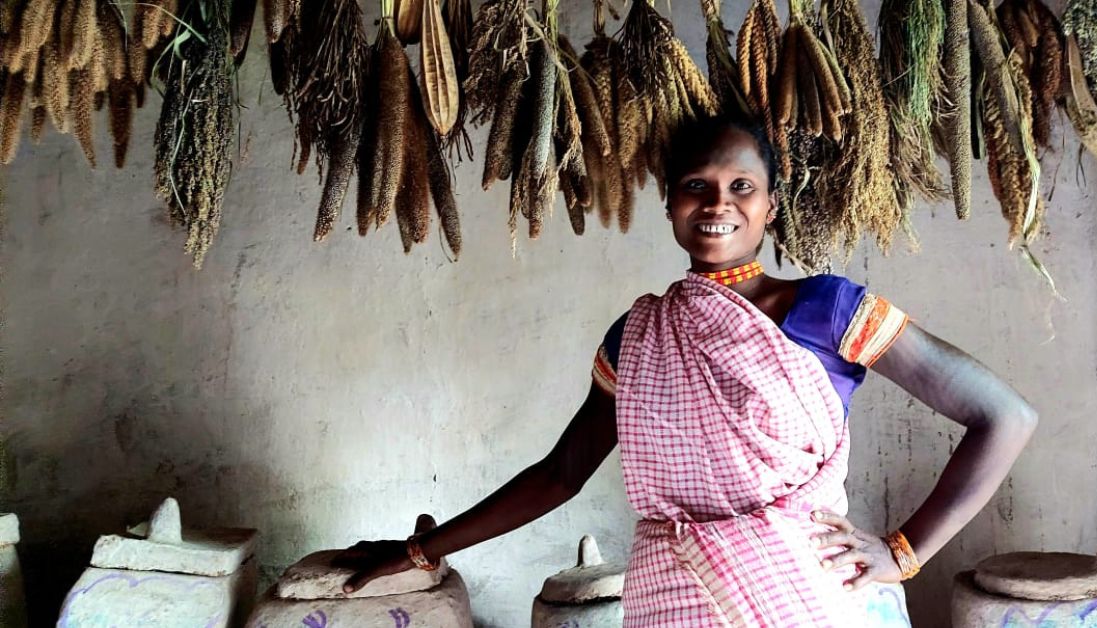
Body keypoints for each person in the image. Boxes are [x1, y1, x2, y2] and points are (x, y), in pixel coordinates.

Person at [333, 115, 1039, 626]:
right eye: (697, 185)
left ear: (769, 205)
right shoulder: (638, 336)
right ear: (670, 201)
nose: (718, 203)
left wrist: (905, 552)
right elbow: (562, 472)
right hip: (672, 599)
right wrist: (423, 549)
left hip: (806, 597)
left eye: (741, 186)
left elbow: (1005, 417)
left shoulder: (827, 308)